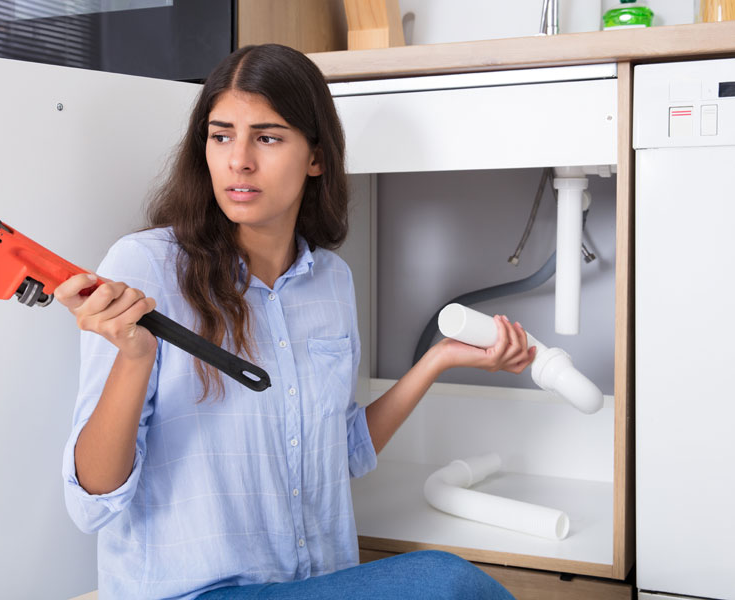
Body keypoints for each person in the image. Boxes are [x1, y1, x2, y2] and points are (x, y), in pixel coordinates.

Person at [56, 43, 533, 600]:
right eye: (221, 135)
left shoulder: (330, 280)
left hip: (316, 584)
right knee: (449, 581)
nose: (239, 160)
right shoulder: (145, 268)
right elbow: (91, 499)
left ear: (316, 156)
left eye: (268, 136)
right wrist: (135, 357)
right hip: (190, 593)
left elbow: (344, 451)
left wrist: (439, 358)